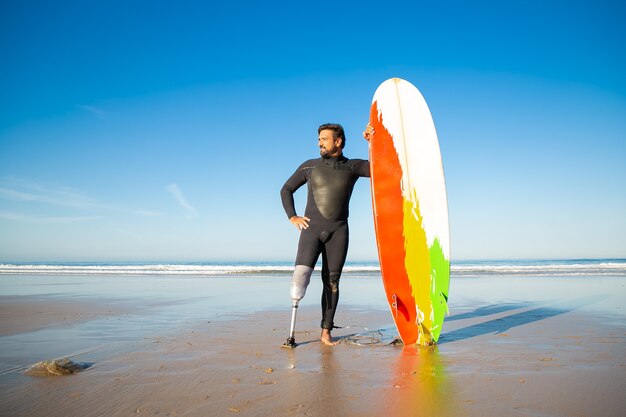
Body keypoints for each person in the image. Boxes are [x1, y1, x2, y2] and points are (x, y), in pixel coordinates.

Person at [280, 123, 374, 345]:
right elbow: (286, 189)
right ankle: (291, 334)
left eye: (324, 138)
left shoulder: (352, 166)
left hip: (338, 233)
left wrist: (373, 142)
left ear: (338, 141)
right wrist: (292, 216)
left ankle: (326, 331)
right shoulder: (309, 167)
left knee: (332, 283)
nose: (319, 142)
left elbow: (377, 169)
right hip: (311, 231)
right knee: (299, 280)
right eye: (319, 139)